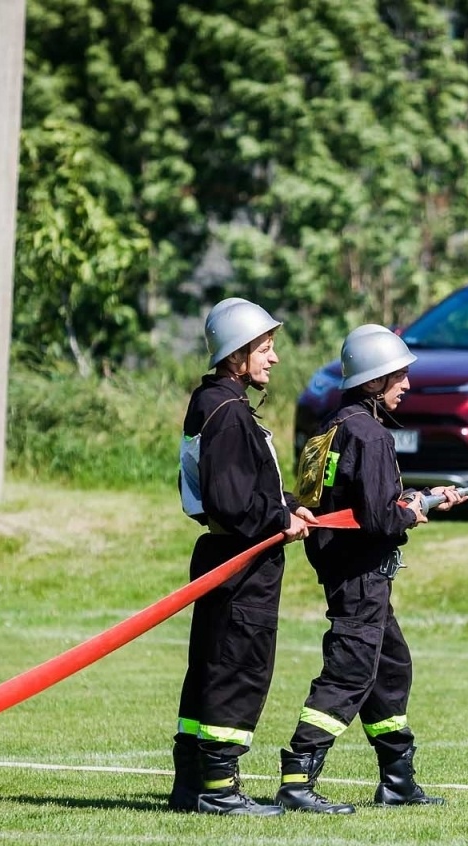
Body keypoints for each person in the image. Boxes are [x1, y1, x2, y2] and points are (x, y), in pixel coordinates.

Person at [275, 325, 467, 815]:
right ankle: (298, 779)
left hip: (346, 571)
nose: (406, 384)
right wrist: (412, 513)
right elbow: (381, 518)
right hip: (361, 575)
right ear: (373, 380)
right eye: (397, 375)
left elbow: (336, 502)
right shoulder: (371, 433)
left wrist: (419, 499)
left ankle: (397, 780)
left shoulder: (329, 429)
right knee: (349, 673)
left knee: (390, 668)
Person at [170, 297, 314, 816]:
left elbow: (241, 489)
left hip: (221, 556)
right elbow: (234, 502)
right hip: (241, 563)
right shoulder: (229, 415)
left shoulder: (212, 404)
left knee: (210, 667)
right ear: (238, 354)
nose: (273, 359)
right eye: (266, 348)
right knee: (238, 668)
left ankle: (193, 783)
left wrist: (291, 507)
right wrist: (281, 520)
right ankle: (219, 789)